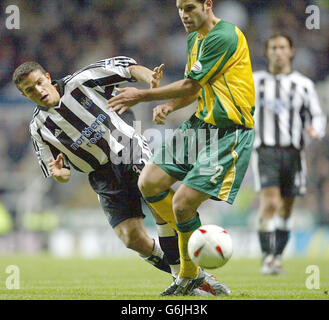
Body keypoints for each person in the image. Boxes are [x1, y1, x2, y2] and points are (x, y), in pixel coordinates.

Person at [12, 57, 222, 297]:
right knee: (132, 239)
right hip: (101, 176)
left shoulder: (81, 82)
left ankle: (183, 278)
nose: (38, 91)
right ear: (24, 95)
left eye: (39, 82)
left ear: (48, 77)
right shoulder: (38, 128)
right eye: (29, 90)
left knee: (157, 204)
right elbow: (58, 171)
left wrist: (149, 78)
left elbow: (126, 68)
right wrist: (60, 174)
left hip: (127, 148)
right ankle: (196, 277)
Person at [108, 0, 254, 296]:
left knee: (183, 203)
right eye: (179, 9)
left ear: (207, 5)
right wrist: (170, 105)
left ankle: (189, 275)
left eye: (189, 8)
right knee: (148, 182)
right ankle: (192, 253)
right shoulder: (194, 39)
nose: (183, 15)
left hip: (229, 132)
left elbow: (189, 85)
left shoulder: (224, 36)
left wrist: (142, 96)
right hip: (201, 124)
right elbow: (196, 88)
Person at [251, 34, 327, 275]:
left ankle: (277, 257)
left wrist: (317, 129)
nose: (277, 52)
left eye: (282, 47)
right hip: (265, 150)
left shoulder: (303, 84)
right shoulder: (255, 82)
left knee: (285, 209)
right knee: (270, 202)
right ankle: (267, 258)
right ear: (266, 52)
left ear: (291, 51)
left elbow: (317, 114)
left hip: (294, 153)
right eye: (273, 47)